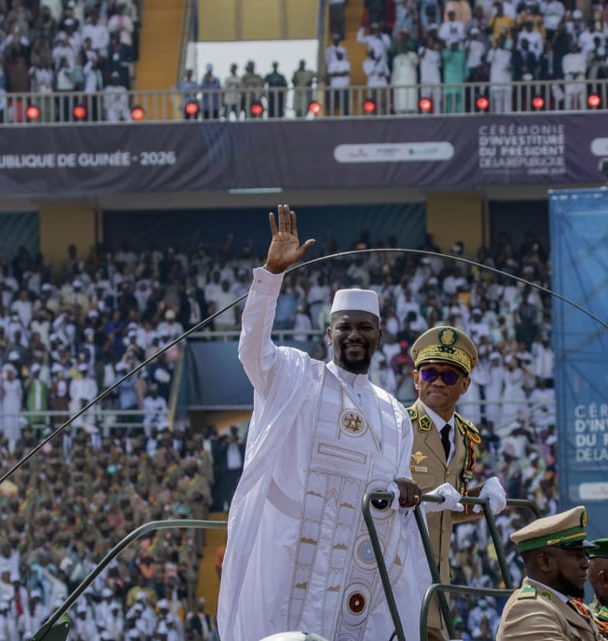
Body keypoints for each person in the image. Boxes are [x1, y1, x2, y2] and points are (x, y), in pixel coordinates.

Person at [217, 205, 430, 641]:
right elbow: (252, 351)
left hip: (356, 574)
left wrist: (407, 489)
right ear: (328, 335)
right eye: (344, 327)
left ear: (379, 337)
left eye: (364, 328)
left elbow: (396, 485)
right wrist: (272, 276)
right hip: (290, 557)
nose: (354, 335)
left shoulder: (394, 413)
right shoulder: (295, 376)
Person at [408, 325, 508, 641]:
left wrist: (482, 501)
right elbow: (380, 496)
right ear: (415, 379)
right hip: (400, 571)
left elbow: (451, 507)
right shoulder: (397, 426)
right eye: (429, 374)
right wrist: (425, 500)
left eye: (449, 376)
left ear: (464, 385)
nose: (438, 381)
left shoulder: (465, 438)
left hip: (439, 579)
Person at [497, 506, 600, 641]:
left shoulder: (568, 604)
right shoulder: (529, 609)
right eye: (577, 556)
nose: (586, 564)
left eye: (585, 555)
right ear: (545, 562)